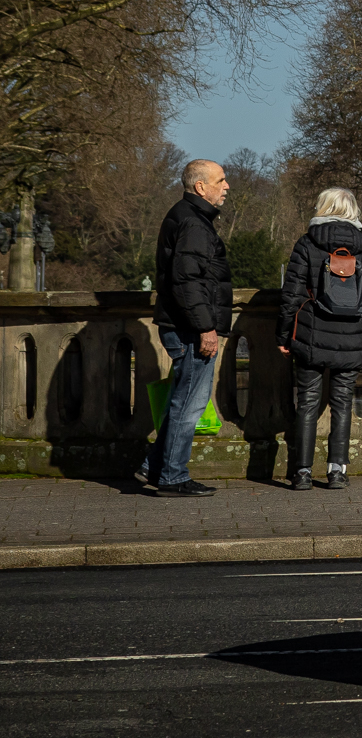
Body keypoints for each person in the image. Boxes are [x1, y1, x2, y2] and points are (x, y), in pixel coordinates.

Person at [277, 187, 362, 491]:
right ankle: (337, 471)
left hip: (311, 336)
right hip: (352, 338)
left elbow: (290, 297)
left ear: (322, 208)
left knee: (307, 403)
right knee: (342, 404)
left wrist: (283, 336)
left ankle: (302, 472)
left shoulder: (307, 244)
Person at [144, 159, 231, 497]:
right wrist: (206, 328)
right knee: (189, 405)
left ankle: (155, 465)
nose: (226, 187)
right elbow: (187, 282)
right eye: (220, 181)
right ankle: (172, 476)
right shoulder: (193, 223)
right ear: (200, 187)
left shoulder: (187, 216)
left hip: (181, 325)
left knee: (183, 401)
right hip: (189, 329)